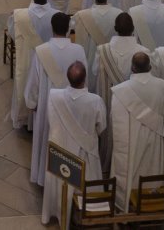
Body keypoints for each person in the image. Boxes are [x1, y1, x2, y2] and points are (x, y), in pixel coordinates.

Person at [24, 13, 85, 186]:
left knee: (47, 139)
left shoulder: (41, 51)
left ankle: (44, 178)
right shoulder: (78, 50)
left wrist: (32, 103)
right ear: (68, 29)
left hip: (47, 105)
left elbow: (34, 83)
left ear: (52, 28)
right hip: (73, 103)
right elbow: (84, 79)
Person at [42, 62, 105, 224]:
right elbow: (102, 127)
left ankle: (56, 213)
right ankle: (85, 216)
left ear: (68, 79)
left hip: (60, 151)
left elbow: (51, 121)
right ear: (85, 79)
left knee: (60, 184)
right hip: (85, 152)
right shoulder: (95, 101)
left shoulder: (54, 96)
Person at [110, 52, 164, 212]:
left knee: (132, 173)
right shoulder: (161, 84)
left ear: (132, 68)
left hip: (132, 139)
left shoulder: (121, 91)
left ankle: (128, 201)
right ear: (150, 67)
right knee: (152, 169)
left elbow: (115, 119)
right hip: (155, 137)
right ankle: (153, 202)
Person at [8, 0, 58, 129]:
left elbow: (13, 34)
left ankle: (24, 118)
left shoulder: (19, 16)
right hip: (49, 60)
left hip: (28, 59)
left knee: (25, 85)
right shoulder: (57, 16)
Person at [73, 0, 120, 67]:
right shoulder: (119, 15)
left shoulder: (80, 16)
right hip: (112, 65)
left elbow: (71, 35)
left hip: (88, 64)